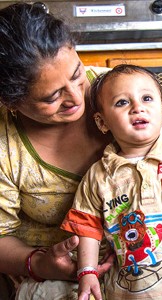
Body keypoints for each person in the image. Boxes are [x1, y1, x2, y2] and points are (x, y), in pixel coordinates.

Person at [0, 2, 114, 299]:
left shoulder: (121, 89)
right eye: (52, 97)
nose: (76, 97)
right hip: (50, 276)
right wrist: (40, 263)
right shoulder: (5, 143)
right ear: (12, 102)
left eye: (77, 74)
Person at [61, 64, 162, 300]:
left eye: (147, 98)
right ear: (102, 122)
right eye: (122, 102)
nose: (138, 107)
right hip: (128, 292)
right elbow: (88, 228)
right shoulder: (98, 176)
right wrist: (87, 271)